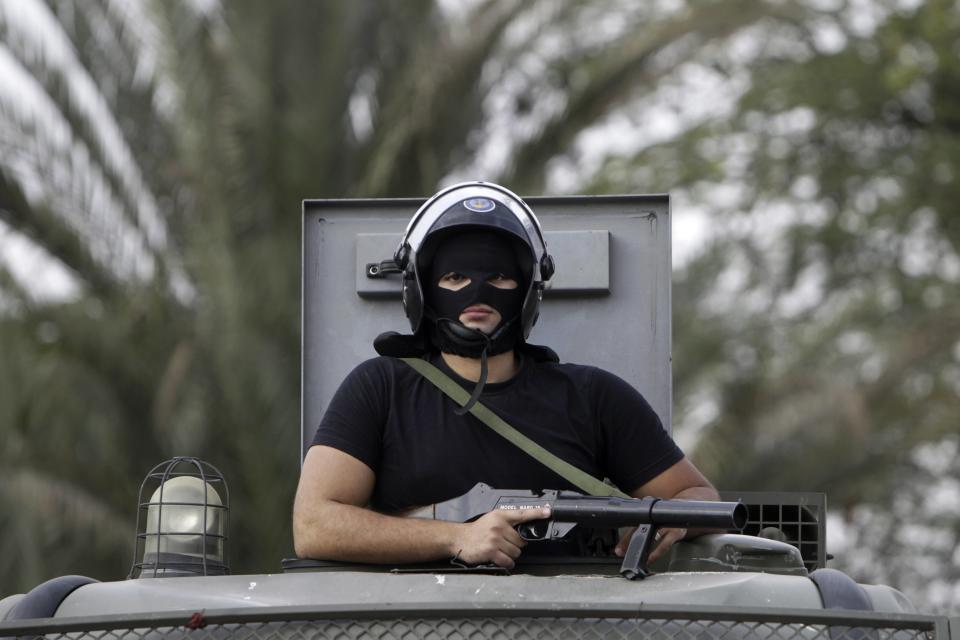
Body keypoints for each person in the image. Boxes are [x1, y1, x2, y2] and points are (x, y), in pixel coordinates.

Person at [293, 181, 718, 569]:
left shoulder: (592, 397)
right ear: (421, 289)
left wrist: (668, 522)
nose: (478, 293)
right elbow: (314, 525)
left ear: (528, 292)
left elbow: (699, 498)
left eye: (498, 276)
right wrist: (457, 537)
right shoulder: (380, 388)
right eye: (455, 277)